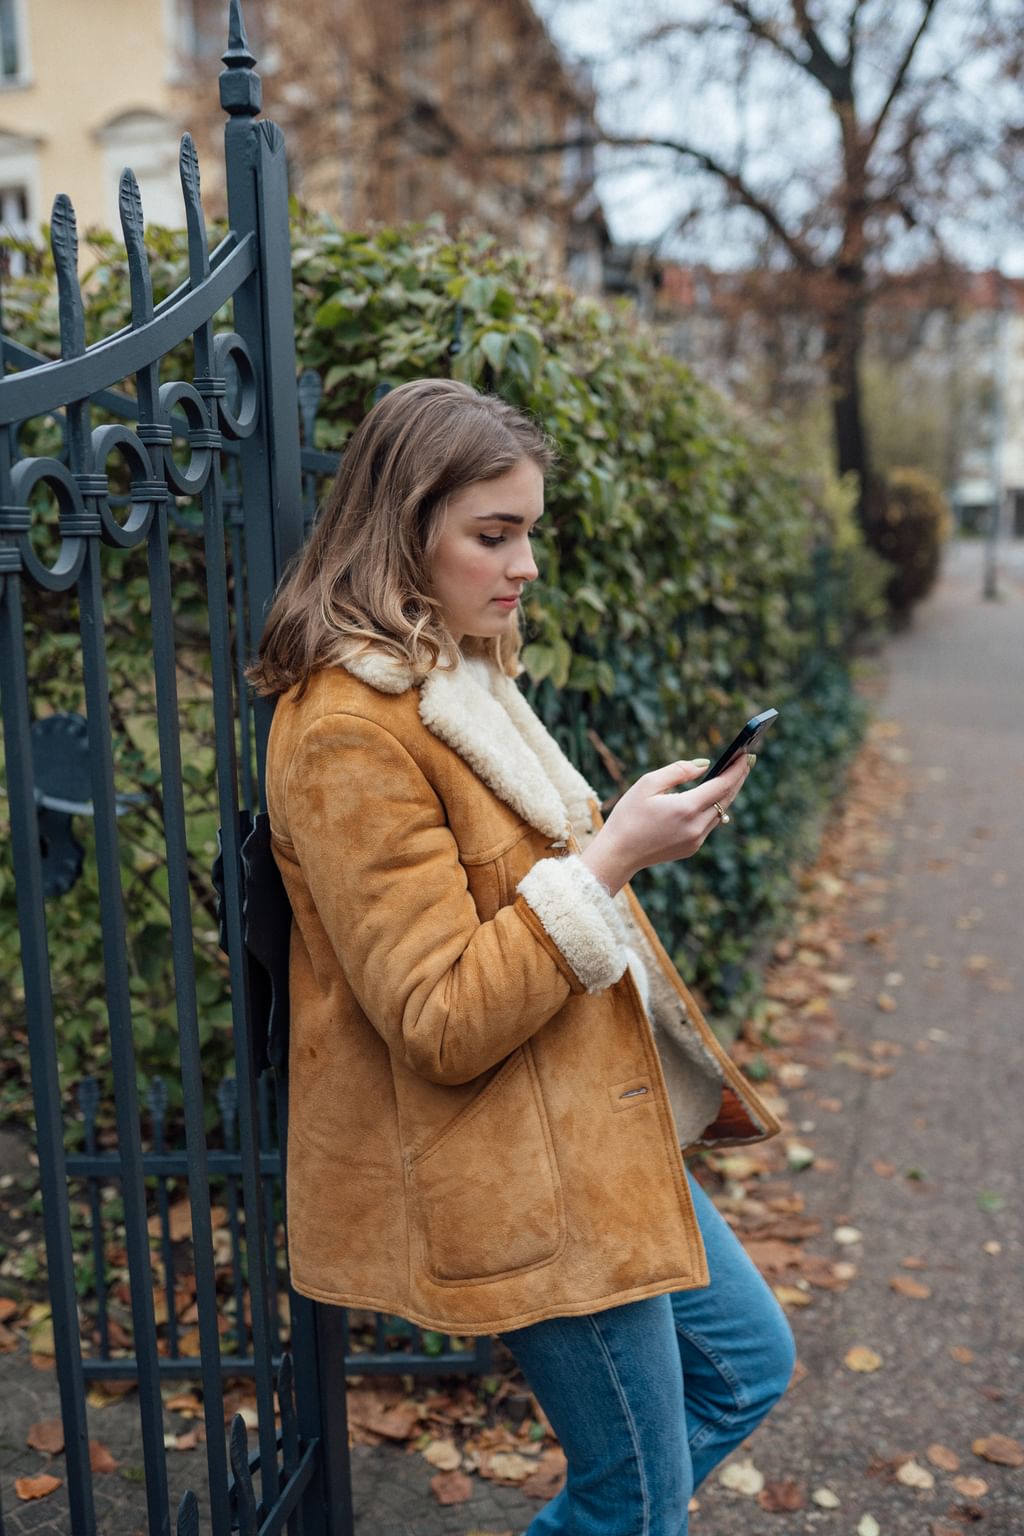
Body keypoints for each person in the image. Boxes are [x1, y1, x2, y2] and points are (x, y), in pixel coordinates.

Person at [249, 377, 795, 1534]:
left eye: (527, 533)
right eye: (492, 535)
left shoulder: (459, 677)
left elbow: (520, 896)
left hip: (591, 1130)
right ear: (403, 533)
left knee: (746, 1367)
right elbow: (439, 1015)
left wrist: (634, 840)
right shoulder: (352, 726)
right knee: (634, 1494)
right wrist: (609, 864)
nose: (524, 564)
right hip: (515, 1160)